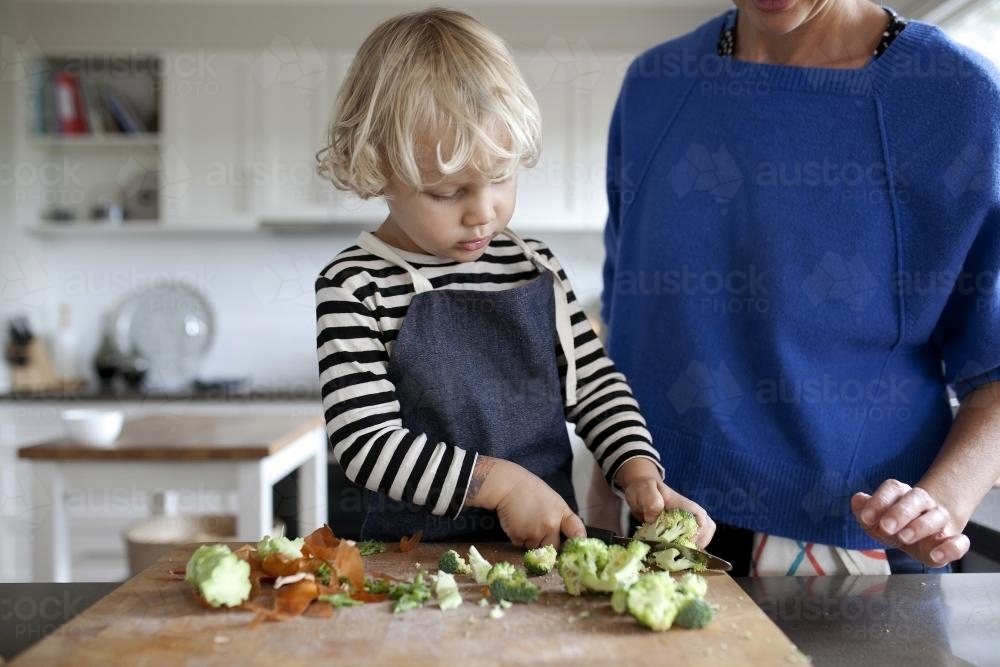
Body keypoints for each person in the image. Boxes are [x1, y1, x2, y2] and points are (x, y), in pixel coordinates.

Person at [603, 0, 1000, 575]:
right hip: (647, 528)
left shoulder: (956, 100)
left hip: (849, 548)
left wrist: (937, 505)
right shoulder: (654, 85)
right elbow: (621, 320)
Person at [313, 8, 715, 548]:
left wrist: (638, 470)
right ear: (380, 167)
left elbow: (594, 386)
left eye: (500, 177)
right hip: (412, 559)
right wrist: (500, 486)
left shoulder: (534, 267)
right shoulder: (355, 284)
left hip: (546, 553)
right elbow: (365, 443)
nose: (483, 212)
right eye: (448, 192)